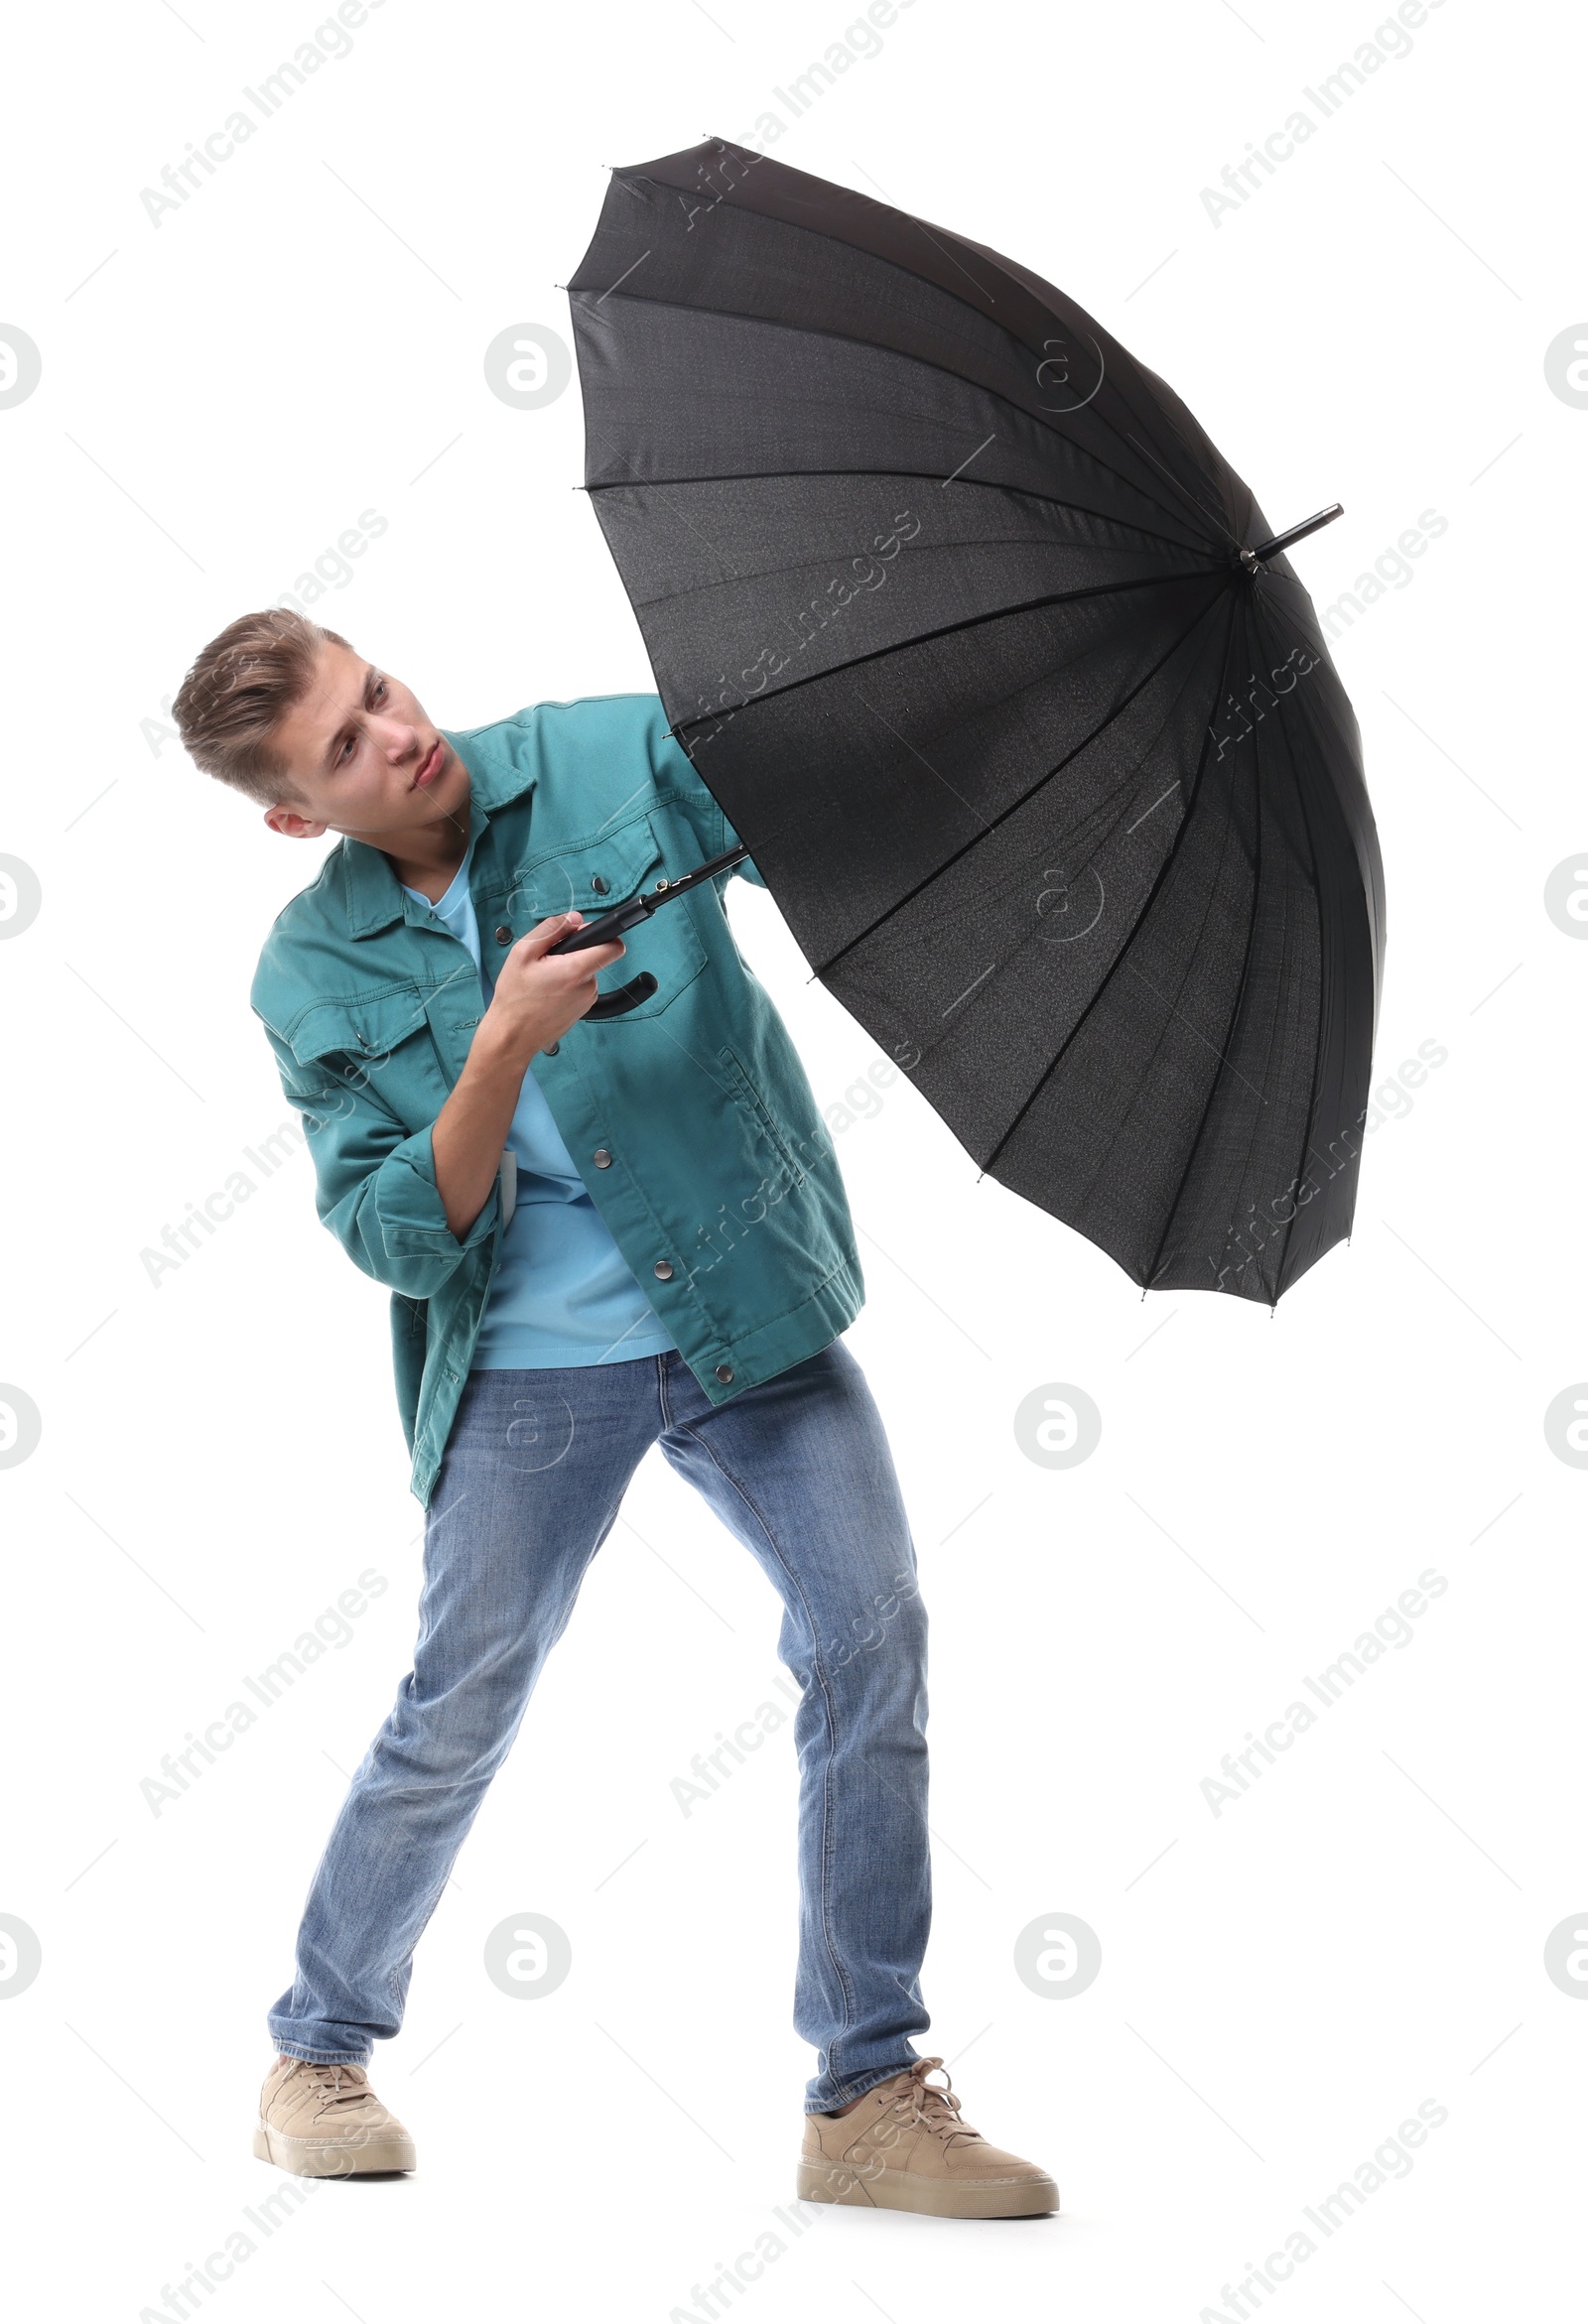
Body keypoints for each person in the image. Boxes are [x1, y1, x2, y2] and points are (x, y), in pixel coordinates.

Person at [172, 607, 1058, 2219]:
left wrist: (989, 699)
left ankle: (866, 2088)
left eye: (378, 690)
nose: (397, 733)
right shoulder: (309, 972)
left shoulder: (607, 753)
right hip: (526, 1357)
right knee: (462, 1701)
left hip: (745, 1306)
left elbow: (832, 808)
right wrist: (502, 1043)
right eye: (345, 747)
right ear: (298, 816)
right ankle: (316, 2046)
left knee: (873, 1637)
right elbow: (393, 1232)